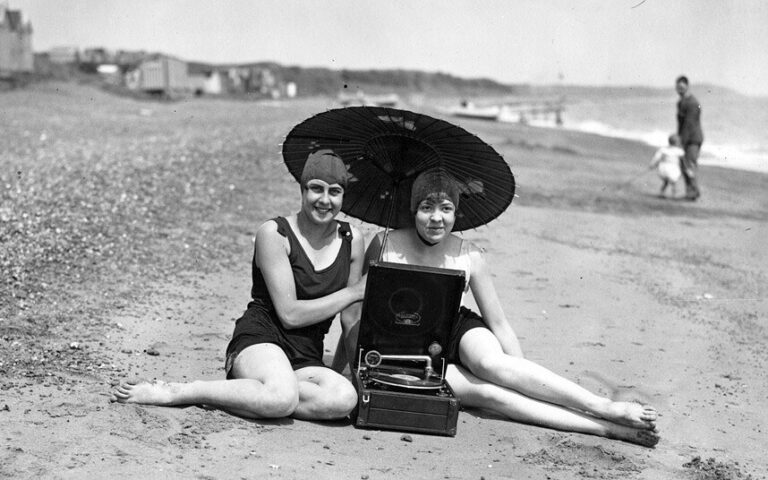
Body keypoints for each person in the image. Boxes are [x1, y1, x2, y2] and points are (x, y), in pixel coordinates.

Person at [352, 169, 660, 447]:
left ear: (456, 213)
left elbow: (498, 323)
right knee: (489, 394)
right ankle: (606, 428)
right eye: (426, 207)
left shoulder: (469, 254)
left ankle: (603, 406)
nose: (436, 218)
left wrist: (522, 380)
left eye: (446, 209)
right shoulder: (384, 243)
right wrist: (349, 367)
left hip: (457, 328)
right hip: (405, 343)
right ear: (413, 209)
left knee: (493, 365)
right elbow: (358, 312)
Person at [111, 150, 366, 420]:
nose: (325, 200)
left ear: (343, 196)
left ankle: (262, 392)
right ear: (302, 190)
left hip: (306, 356)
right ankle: (182, 391)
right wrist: (353, 292)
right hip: (262, 341)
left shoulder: (352, 240)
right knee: (281, 398)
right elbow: (290, 315)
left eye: (335, 192)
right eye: (316, 189)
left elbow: (350, 320)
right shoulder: (275, 233)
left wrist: (353, 377)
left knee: (344, 398)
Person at [675, 75, 704, 200]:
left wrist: (682, 141)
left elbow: (689, 124)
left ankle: (693, 192)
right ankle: (690, 192)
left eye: (682, 87)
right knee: (684, 165)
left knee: (689, 165)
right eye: (678, 87)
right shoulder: (681, 102)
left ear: (687, 87)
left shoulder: (692, 103)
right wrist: (679, 138)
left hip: (693, 139)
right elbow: (681, 124)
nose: (680, 90)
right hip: (685, 138)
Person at [649, 133, 684, 198]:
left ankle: (662, 193)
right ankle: (674, 194)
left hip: (663, 169)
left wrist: (652, 165)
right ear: (678, 143)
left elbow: (656, 158)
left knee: (666, 182)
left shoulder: (663, 150)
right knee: (674, 182)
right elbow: (682, 160)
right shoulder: (679, 151)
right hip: (673, 169)